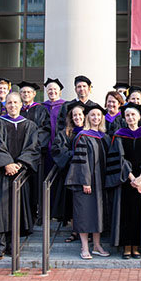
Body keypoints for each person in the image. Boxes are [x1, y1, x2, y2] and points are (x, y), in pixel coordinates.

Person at [0, 92, 41, 260]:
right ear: (5, 105)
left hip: (20, 175)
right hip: (1, 174)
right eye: (9, 103)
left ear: (20, 104)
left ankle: (12, 245)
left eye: (16, 102)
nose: (13, 105)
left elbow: (33, 148)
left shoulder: (30, 125)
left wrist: (20, 164)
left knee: (17, 209)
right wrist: (6, 163)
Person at [106, 103, 141, 259]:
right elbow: (119, 158)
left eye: (133, 115)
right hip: (125, 181)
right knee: (125, 213)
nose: (130, 117)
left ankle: (136, 246)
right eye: (128, 115)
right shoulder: (119, 135)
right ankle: (126, 246)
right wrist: (131, 178)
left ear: (140, 117)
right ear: (124, 118)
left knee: (139, 213)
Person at [66, 104, 111, 259]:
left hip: (101, 183)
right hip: (87, 182)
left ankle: (97, 245)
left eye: (98, 115)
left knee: (98, 213)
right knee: (84, 213)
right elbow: (81, 160)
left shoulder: (104, 137)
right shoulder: (83, 136)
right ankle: (84, 247)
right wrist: (85, 181)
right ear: (87, 117)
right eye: (92, 115)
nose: (96, 118)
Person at [51, 102, 85, 243]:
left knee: (85, 203)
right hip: (70, 173)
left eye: (79, 115)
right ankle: (74, 230)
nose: (77, 117)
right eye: (74, 115)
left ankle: (85, 230)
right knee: (71, 202)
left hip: (85, 173)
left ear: (84, 116)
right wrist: (74, 154)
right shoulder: (64, 133)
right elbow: (57, 150)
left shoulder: (91, 131)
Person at [18, 81, 52, 222]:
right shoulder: (16, 110)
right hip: (18, 155)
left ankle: (36, 215)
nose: (26, 94)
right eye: (23, 92)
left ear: (34, 94)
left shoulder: (40, 110)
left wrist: (32, 147)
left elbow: (45, 130)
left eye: (28, 92)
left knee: (36, 185)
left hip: (35, 155)